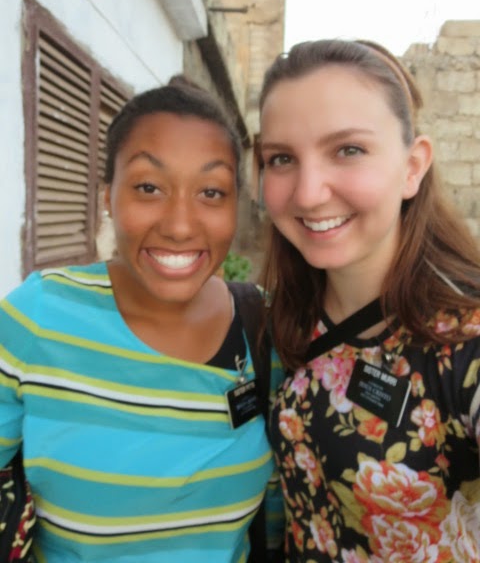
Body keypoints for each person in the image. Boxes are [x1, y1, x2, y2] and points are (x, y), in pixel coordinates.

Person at [0, 77, 284, 562]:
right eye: (148, 187)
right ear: (107, 196)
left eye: (211, 191)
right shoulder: (39, 318)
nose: (179, 225)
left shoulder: (263, 327)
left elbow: (280, 512)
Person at [257, 39, 480, 562]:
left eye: (348, 150)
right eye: (282, 158)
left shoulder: (464, 339)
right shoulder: (282, 318)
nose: (308, 193)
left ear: (412, 166)